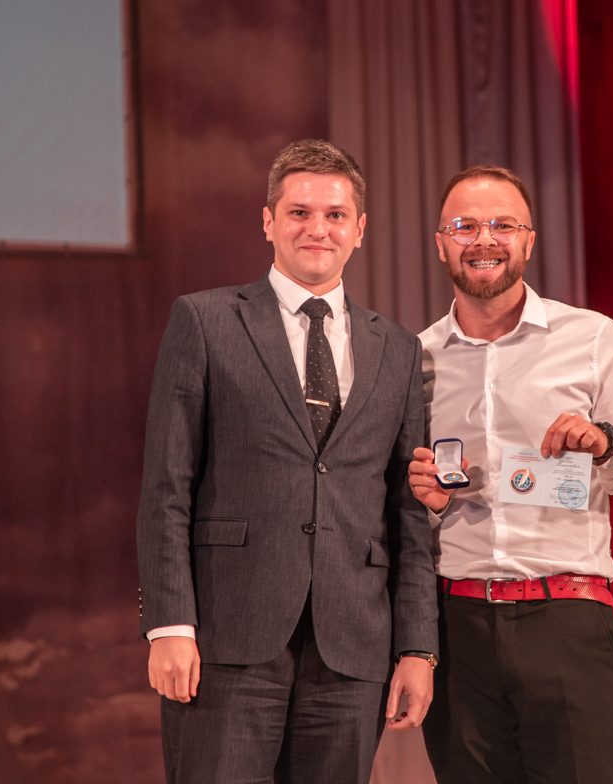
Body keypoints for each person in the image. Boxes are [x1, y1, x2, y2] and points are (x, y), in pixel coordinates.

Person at [136, 139, 438, 784]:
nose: (317, 228)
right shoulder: (206, 320)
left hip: (352, 649)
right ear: (269, 221)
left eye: (335, 215)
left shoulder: (398, 347)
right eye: (299, 212)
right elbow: (167, 487)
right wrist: (168, 623)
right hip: (225, 640)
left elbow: (407, 512)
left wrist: (418, 647)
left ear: (360, 229)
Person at [408, 166, 613, 783]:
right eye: (464, 226)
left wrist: (605, 447)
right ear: (441, 243)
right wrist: (427, 501)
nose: (484, 239)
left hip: (567, 619)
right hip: (457, 631)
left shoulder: (591, 337)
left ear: (529, 241)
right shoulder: (414, 358)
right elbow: (405, 509)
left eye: (503, 225)